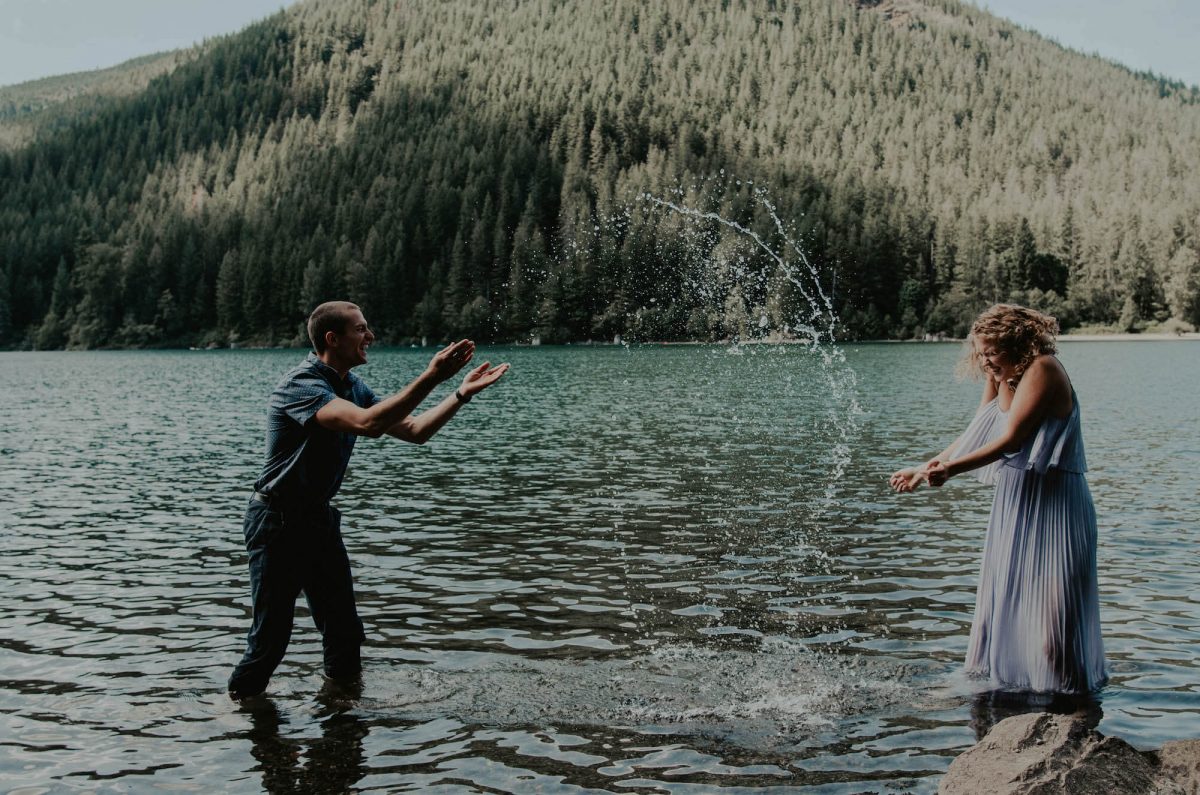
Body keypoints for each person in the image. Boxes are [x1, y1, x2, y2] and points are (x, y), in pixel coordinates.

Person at [227, 300, 509, 699]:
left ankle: (342, 721)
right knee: (271, 641)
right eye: (361, 329)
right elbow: (368, 424)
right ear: (333, 338)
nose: (370, 336)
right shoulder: (301, 385)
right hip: (276, 522)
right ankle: (241, 715)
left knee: (344, 632)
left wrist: (460, 393)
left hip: (318, 521)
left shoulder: (351, 385)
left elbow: (413, 430)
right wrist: (431, 375)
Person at [889, 304, 1105, 694]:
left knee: (1055, 623)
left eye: (992, 352)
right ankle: (1009, 697)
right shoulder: (1001, 376)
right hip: (1016, 503)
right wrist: (924, 468)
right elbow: (980, 430)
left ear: (1019, 345)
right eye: (980, 352)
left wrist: (951, 471)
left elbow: (1011, 440)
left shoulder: (1044, 369)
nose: (985, 361)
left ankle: (1073, 709)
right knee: (1004, 611)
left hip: (1057, 507)